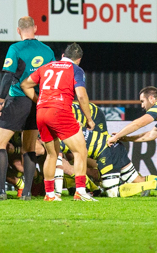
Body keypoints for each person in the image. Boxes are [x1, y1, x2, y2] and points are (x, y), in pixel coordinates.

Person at [0, 15, 55, 200]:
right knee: (29, 147)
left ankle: (0, 191)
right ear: (36, 28)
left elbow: (7, 76)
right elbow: (51, 77)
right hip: (37, 102)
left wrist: (0, 102)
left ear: (18, 30)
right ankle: (28, 193)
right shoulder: (47, 51)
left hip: (18, 101)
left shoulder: (15, 48)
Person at [20, 42, 97, 202]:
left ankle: (49, 194)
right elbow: (81, 96)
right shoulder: (76, 69)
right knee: (80, 150)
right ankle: (81, 191)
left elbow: (25, 84)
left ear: (63, 56)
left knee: (52, 153)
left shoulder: (46, 66)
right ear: (78, 60)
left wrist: (39, 99)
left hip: (41, 112)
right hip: (59, 111)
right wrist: (89, 119)